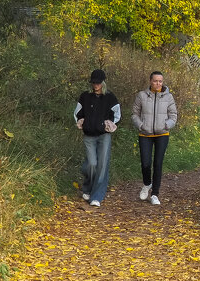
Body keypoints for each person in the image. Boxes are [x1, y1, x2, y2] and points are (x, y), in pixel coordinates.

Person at [74, 68, 120, 207]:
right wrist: (82, 122)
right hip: (89, 135)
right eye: (94, 82)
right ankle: (87, 187)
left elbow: (117, 115)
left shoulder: (110, 97)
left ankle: (97, 196)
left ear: (103, 82)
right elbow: (77, 113)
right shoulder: (85, 96)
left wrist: (109, 125)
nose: (96, 85)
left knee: (102, 165)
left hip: (104, 135)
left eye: (98, 82)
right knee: (91, 164)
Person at [131, 70, 177, 205]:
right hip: (145, 134)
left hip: (162, 134)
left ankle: (155, 194)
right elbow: (134, 114)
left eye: (160, 81)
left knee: (158, 163)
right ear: (150, 81)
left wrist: (166, 125)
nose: (158, 83)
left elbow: (173, 115)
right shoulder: (141, 96)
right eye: (156, 81)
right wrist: (141, 125)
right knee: (145, 163)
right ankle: (147, 183)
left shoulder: (168, 97)